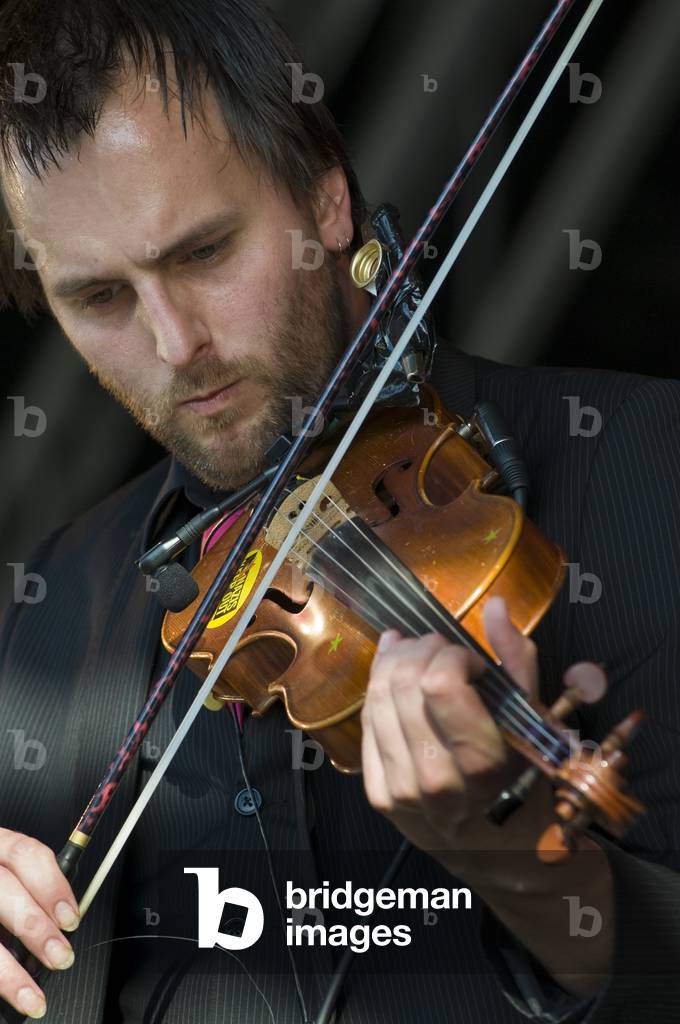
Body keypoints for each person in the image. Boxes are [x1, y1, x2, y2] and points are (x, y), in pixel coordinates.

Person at [0, 2, 679, 1022]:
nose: (175, 341)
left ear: (323, 199)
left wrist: (535, 866)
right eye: (99, 299)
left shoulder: (638, 467)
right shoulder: (49, 611)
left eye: (204, 253)